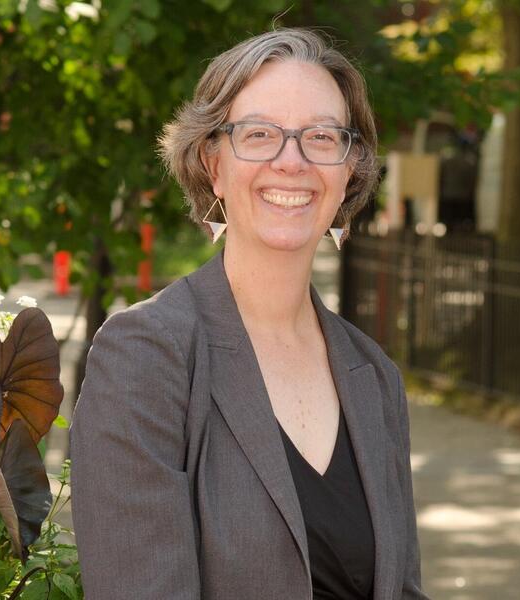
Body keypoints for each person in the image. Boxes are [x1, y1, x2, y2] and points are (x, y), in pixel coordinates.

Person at [69, 28, 430, 600]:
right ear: (213, 164)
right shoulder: (147, 355)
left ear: (349, 171)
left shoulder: (375, 376)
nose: (293, 161)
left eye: (320, 136)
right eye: (260, 134)